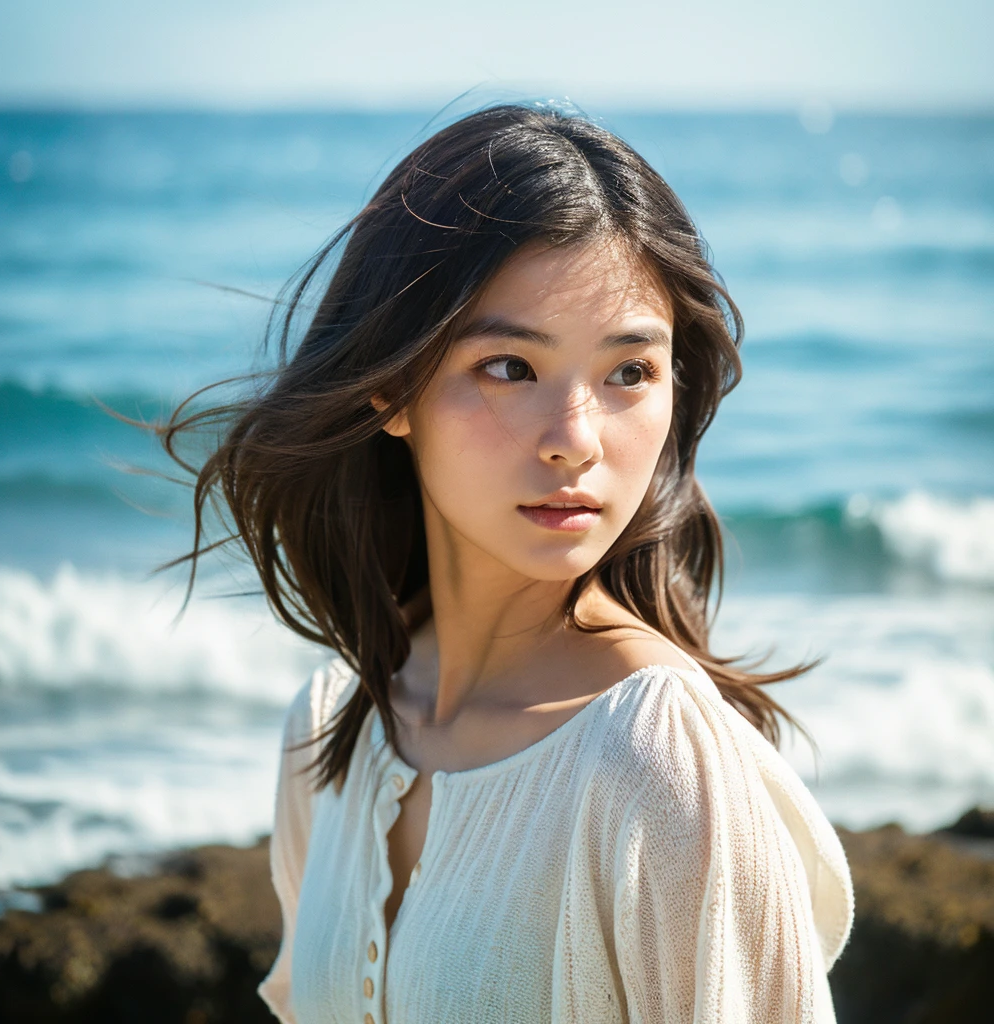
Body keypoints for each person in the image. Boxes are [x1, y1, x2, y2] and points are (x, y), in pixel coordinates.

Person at [160, 102, 854, 1023]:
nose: (575, 440)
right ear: (391, 387)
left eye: (630, 372)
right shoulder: (335, 730)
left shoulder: (658, 760)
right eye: (510, 367)